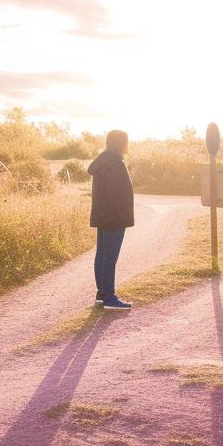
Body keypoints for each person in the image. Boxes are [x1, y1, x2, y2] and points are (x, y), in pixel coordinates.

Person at [87, 129, 134, 310]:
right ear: (121, 143)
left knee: (102, 255)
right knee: (110, 258)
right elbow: (116, 194)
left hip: (103, 215)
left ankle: (102, 293)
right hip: (114, 218)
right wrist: (122, 214)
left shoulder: (103, 162)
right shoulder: (115, 164)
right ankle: (109, 298)